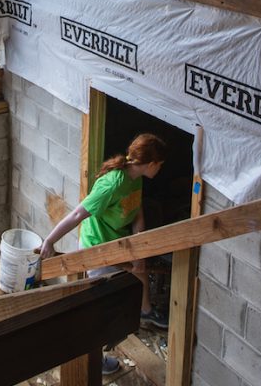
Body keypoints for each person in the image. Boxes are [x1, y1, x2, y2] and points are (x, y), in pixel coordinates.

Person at [40, 133, 168, 375]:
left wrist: (138, 249)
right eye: (160, 165)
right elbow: (77, 215)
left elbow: (137, 212)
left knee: (138, 274)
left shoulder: (136, 178)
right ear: (151, 163)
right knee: (101, 308)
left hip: (118, 243)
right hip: (97, 248)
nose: (160, 169)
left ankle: (146, 312)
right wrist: (49, 240)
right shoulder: (113, 184)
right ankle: (93, 359)